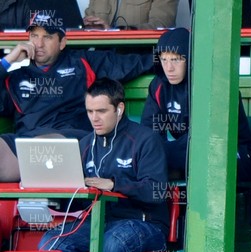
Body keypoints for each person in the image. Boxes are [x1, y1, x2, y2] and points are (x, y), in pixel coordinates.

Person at [39, 78, 168, 252]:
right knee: (51, 242)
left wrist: (114, 183)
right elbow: (77, 200)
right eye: (89, 111)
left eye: (101, 111)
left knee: (111, 243)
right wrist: (52, 195)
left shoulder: (146, 139)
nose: (94, 118)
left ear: (119, 109)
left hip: (145, 223)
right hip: (97, 221)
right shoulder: (85, 144)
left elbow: (156, 192)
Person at [0, 11, 153, 182]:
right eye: (34, 36)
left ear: (62, 42)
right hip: (25, 144)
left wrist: (169, 57)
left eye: (48, 37)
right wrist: (8, 61)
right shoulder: (16, 76)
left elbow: (134, 63)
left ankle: (42, 203)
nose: (39, 44)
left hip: (71, 141)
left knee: (44, 146)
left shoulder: (81, 62)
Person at [141, 28, 251, 181]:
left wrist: (161, 152)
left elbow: (207, 137)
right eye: (164, 60)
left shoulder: (213, 83)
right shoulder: (158, 86)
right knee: (144, 153)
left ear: (191, 58)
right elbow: (149, 131)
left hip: (234, 152)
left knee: (191, 152)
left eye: (176, 59)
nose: (169, 68)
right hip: (189, 152)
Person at [83, 0, 177, 29]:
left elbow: (160, 26)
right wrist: (89, 26)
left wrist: (115, 32)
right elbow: (87, 20)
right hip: (100, 56)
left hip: (138, 57)